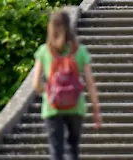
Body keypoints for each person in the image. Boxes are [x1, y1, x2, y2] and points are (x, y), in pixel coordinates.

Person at [33, 10, 102, 160]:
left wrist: (49, 92)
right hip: (76, 106)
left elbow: (36, 84)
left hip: (52, 107)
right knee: (73, 149)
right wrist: (96, 109)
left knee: (56, 152)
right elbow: (90, 83)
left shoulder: (44, 51)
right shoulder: (80, 51)